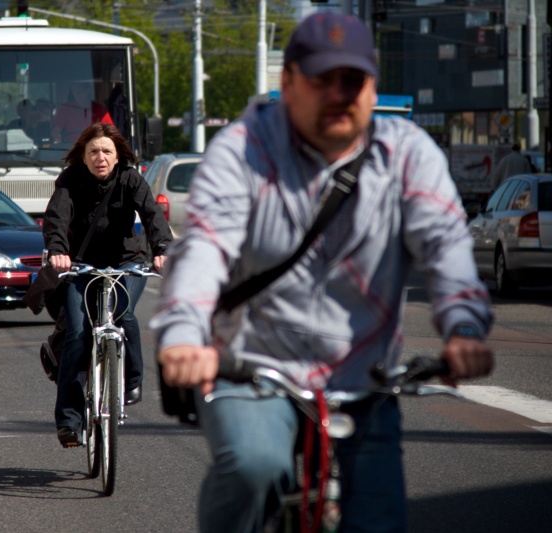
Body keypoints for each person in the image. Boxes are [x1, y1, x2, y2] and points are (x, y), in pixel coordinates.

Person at [150, 11, 494, 533]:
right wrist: (182, 337)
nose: (339, 94)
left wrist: (463, 327)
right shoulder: (244, 149)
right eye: (321, 80)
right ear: (288, 83)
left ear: (373, 88)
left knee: (379, 520)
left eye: (352, 81)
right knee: (255, 465)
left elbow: (445, 245)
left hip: (365, 380)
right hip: (251, 368)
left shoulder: (408, 155)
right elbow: (206, 247)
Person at [43, 122, 172, 447]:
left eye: (106, 151)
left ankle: (132, 380)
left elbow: (153, 215)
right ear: (83, 156)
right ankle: (69, 421)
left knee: (124, 314)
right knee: (77, 333)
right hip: (81, 266)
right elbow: (57, 217)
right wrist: (58, 251)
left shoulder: (130, 178)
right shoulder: (70, 180)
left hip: (126, 262)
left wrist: (162, 250)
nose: (100, 157)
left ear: (117, 156)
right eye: (93, 151)